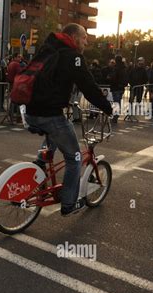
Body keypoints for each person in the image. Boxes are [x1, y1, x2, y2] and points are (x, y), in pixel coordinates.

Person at [25, 23, 112, 216]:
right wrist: (107, 108)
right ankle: (69, 204)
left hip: (31, 112)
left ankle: (39, 164)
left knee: (56, 134)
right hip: (49, 114)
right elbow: (88, 86)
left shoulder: (47, 50)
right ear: (73, 37)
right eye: (84, 38)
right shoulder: (73, 57)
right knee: (74, 158)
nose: (86, 42)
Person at [109, 55, 128, 123]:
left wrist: (110, 78)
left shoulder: (116, 68)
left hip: (116, 87)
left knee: (116, 102)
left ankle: (115, 116)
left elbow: (114, 77)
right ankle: (116, 115)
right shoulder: (124, 68)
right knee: (118, 101)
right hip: (121, 87)